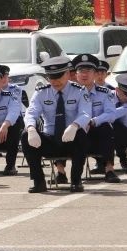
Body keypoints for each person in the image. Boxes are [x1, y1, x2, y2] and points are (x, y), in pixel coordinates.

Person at [22, 56, 90, 192]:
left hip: (71, 139)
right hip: (50, 140)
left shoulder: (79, 91)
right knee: (25, 136)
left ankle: (76, 181)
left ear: (67, 74)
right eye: (51, 77)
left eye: (58, 76)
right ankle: (38, 182)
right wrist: (31, 128)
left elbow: (86, 113)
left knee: (81, 135)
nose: (55, 81)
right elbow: (31, 112)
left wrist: (75, 126)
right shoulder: (41, 92)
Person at [73, 54, 121, 183]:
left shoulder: (104, 92)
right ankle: (61, 172)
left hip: (96, 131)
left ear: (95, 74)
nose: (84, 74)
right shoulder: (69, 92)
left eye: (88, 71)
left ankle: (109, 170)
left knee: (106, 127)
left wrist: (94, 121)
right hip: (76, 131)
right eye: (81, 71)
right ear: (76, 74)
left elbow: (111, 114)